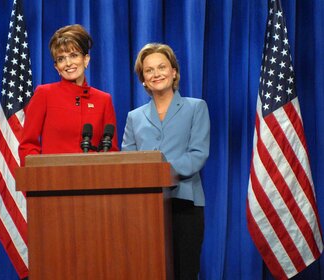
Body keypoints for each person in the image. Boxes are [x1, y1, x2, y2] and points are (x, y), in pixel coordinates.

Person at [121, 43, 210, 279]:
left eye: (162, 67)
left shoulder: (196, 107)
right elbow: (128, 160)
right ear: (143, 79)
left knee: (185, 272)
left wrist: (161, 173)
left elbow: (197, 154)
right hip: (145, 207)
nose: (156, 73)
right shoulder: (134, 117)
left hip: (185, 203)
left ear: (174, 72)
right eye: (149, 70)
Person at [19, 24, 118, 166]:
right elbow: (28, 145)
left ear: (86, 59)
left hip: (93, 183)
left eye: (74, 55)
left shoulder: (103, 100)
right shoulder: (44, 94)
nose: (68, 63)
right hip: (51, 182)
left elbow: (111, 152)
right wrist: (41, 177)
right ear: (56, 67)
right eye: (61, 59)